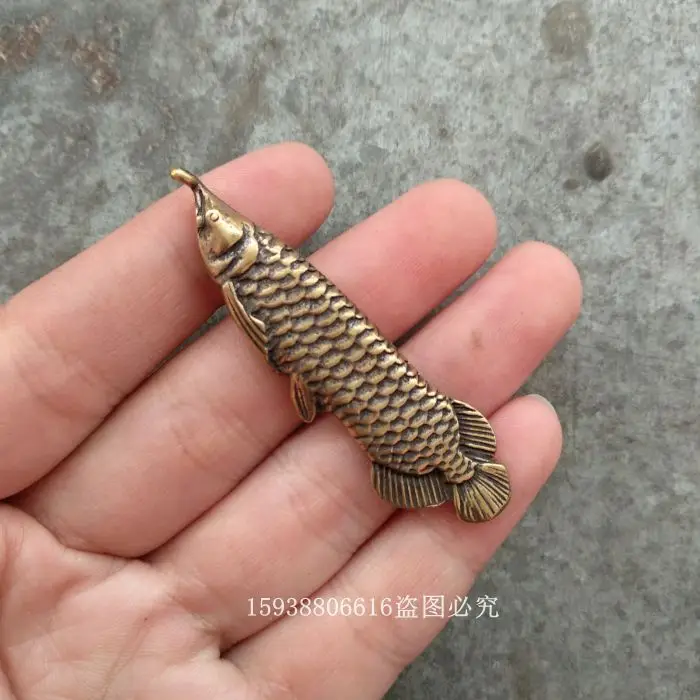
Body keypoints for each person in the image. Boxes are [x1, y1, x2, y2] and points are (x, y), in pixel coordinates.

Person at [0, 143, 581, 699]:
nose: (210, 227)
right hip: (387, 419)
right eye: (209, 228)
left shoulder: (253, 275)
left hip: (407, 424)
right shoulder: (255, 273)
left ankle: (457, 466)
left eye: (211, 227)